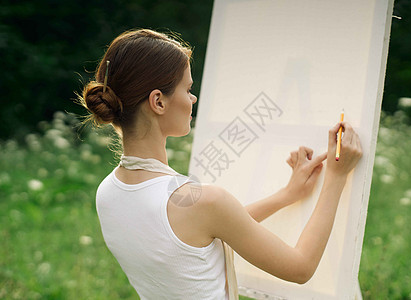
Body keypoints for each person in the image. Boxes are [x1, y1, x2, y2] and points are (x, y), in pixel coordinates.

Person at [78, 28, 362, 300]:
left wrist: (287, 195)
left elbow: (201, 232)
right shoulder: (200, 203)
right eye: (187, 89)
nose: (193, 98)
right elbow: (300, 268)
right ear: (158, 102)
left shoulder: (107, 193)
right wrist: (336, 174)